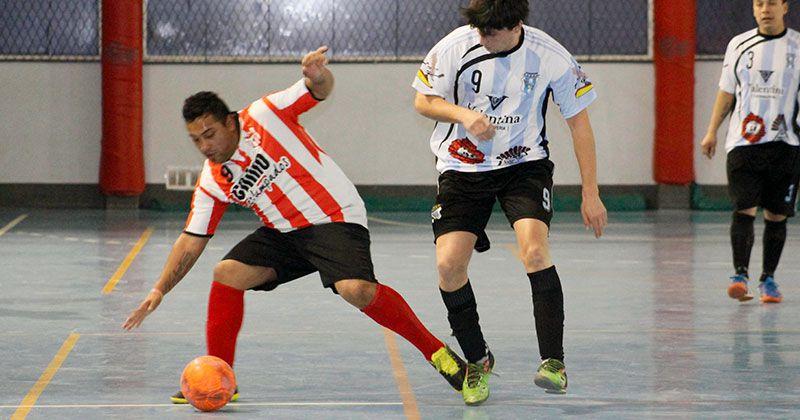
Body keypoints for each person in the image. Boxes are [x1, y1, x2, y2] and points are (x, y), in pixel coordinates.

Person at [122, 46, 467, 403]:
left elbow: (318, 90)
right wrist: (159, 290)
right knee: (227, 273)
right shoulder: (213, 179)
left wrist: (318, 76)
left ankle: (438, 353)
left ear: (230, 121)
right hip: (284, 233)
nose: (204, 146)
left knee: (357, 291)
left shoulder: (266, 114)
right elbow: (190, 241)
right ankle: (220, 377)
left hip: (333, 217)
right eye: (196, 140)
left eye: (209, 135)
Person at [412, 0, 607, 406]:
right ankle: (477, 358)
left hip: (524, 167)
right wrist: (462, 115)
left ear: (515, 24)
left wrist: (591, 192)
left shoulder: (549, 55)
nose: (482, 39)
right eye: (478, 31)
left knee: (534, 250)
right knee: (449, 265)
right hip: (462, 168)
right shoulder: (455, 47)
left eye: (491, 33)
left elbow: (579, 123)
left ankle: (553, 361)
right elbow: (422, 99)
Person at [701, 0, 799, 304]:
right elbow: (726, 90)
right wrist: (711, 130)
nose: (765, 9)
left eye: (771, 3)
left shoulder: (797, 46)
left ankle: (768, 279)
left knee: (776, 214)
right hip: (744, 144)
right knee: (744, 207)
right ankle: (740, 275)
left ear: (784, 7)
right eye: (759, 3)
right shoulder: (739, 45)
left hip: (787, 145)